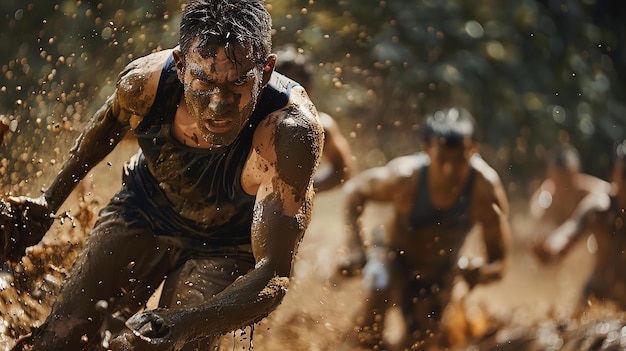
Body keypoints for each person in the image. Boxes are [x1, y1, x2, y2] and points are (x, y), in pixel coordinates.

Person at [0, 0, 323, 350]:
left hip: (227, 245)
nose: (219, 105)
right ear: (181, 66)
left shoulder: (290, 131)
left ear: (268, 69)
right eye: (204, 83)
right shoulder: (145, 83)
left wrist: (183, 324)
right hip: (144, 210)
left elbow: (273, 274)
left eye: (238, 85)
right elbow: (103, 132)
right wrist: (46, 204)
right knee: (61, 337)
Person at [340, 108, 511, 350]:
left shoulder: (485, 190)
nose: (450, 171)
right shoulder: (405, 177)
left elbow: (500, 263)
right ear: (425, 149)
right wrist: (356, 248)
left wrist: (479, 272)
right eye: (442, 160)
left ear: (474, 150)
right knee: (378, 288)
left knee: (422, 341)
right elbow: (353, 192)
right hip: (394, 257)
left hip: (440, 274)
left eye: (460, 160)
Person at [532, 140, 626, 309]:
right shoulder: (599, 209)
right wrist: (550, 249)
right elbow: (569, 232)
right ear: (613, 176)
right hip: (597, 294)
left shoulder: (593, 190)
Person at [274, 46, 354, 192]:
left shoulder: (322, 126)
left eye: (297, 90)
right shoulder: (249, 120)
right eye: (283, 90)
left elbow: (342, 170)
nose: (291, 97)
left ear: (309, 90)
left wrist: (302, 189)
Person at [527, 143, 611, 238]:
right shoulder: (545, 199)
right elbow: (534, 221)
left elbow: (611, 193)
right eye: (558, 182)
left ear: (577, 176)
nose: (563, 189)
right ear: (550, 179)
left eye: (567, 182)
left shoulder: (592, 191)